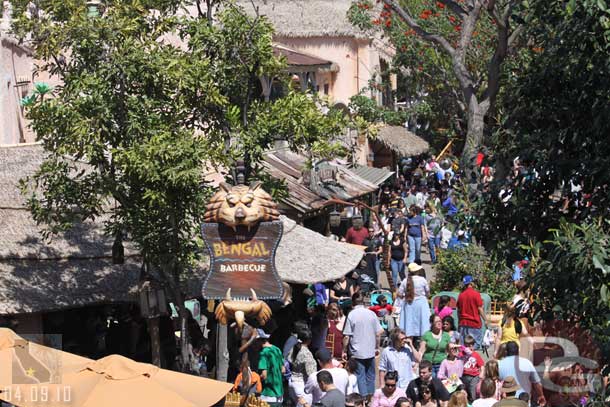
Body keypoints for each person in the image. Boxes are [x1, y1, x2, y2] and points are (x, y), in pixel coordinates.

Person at [342, 291, 384, 398]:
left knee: (360, 376)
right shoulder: (371, 313)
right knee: (370, 376)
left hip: (357, 352)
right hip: (370, 351)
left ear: (353, 302)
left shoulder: (351, 314)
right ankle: (370, 398)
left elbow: (347, 336)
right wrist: (377, 347)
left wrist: (344, 350)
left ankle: (364, 399)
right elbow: (378, 333)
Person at [399, 263, 431, 339]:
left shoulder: (405, 281)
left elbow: (399, 294)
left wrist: (405, 296)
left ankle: (410, 344)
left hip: (409, 304)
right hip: (421, 304)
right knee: (423, 324)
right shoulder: (422, 280)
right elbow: (428, 293)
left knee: (409, 324)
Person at [288, 329, 318, 407]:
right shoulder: (306, 353)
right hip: (302, 386)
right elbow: (312, 374)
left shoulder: (293, 348)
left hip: (292, 382)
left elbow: (289, 360)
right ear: (309, 340)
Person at [457, 275, 488, 349]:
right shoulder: (476, 294)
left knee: (464, 346)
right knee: (474, 346)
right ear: (471, 283)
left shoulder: (461, 295)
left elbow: (458, 310)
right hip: (474, 323)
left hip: (463, 323)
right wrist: (486, 320)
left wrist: (459, 322)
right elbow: (480, 309)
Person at [256, 329, 285, 407]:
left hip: (268, 395)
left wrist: (256, 378)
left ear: (259, 341)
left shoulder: (263, 353)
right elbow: (283, 370)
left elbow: (264, 375)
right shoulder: (277, 349)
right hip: (279, 395)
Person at [461, 335, 485, 402]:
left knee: (473, 392)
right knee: (464, 392)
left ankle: (473, 402)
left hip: (474, 377)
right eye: (467, 345)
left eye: (471, 345)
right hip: (464, 376)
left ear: (473, 345)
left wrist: (481, 374)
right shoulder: (462, 354)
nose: (469, 347)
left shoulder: (475, 354)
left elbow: (482, 365)